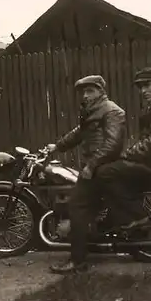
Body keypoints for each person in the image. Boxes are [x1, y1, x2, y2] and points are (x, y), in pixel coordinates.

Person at [47, 75, 126, 274]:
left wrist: (91, 166)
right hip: (98, 166)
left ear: (101, 91)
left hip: (101, 167)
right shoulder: (93, 112)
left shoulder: (111, 111)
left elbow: (113, 144)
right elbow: (79, 133)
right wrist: (57, 146)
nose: (86, 95)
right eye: (83, 92)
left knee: (76, 206)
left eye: (90, 90)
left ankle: (78, 261)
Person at [96, 67, 151, 230]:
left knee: (105, 172)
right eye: (140, 87)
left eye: (147, 85)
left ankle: (141, 217)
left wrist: (128, 154)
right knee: (117, 174)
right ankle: (117, 220)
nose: (143, 90)